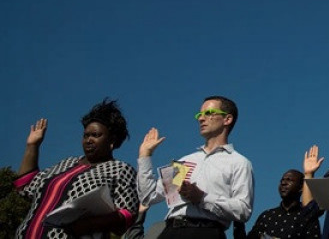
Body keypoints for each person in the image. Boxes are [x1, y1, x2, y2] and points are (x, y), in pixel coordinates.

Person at [13, 99, 139, 239]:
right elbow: (25, 185)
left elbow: (128, 214)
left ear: (112, 141)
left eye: (96, 135)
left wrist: (88, 224)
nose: (88, 140)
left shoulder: (121, 169)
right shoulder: (66, 163)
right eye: (86, 135)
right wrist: (32, 146)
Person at [138, 95, 254, 239]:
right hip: (169, 231)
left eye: (209, 113)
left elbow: (243, 211)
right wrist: (145, 156)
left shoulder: (239, 162)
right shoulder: (183, 162)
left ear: (227, 119)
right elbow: (148, 197)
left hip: (206, 232)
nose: (201, 119)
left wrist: (202, 197)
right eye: (200, 114)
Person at [243, 169, 320, 239]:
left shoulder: (308, 217)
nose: (283, 183)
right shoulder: (266, 216)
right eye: (282, 180)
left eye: (289, 180)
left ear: (301, 187)